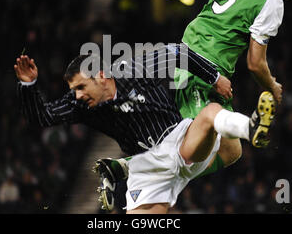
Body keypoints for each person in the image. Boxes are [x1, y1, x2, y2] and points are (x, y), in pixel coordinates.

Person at [94, 0, 292, 211]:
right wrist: (273, 86)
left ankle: (127, 168)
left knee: (231, 149)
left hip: (192, 54)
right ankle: (127, 170)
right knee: (195, 147)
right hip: (201, 67)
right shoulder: (273, 1)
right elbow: (255, 63)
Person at [14, 45, 275, 214]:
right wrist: (29, 85)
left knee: (210, 115)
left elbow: (178, 52)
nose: (77, 95)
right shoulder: (81, 105)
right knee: (230, 151)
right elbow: (43, 116)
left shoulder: (134, 70)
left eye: (81, 87)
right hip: (150, 170)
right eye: (73, 90)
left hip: (179, 141)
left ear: (102, 76)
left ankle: (251, 127)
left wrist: (214, 78)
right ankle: (125, 168)